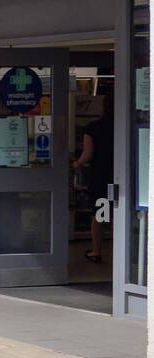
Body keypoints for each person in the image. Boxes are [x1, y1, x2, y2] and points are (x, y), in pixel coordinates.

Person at [74, 97, 115, 264]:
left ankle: (96, 251)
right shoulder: (124, 124)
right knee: (118, 214)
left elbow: (88, 154)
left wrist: (76, 164)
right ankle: (120, 252)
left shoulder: (94, 128)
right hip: (120, 175)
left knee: (100, 214)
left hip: (100, 177)